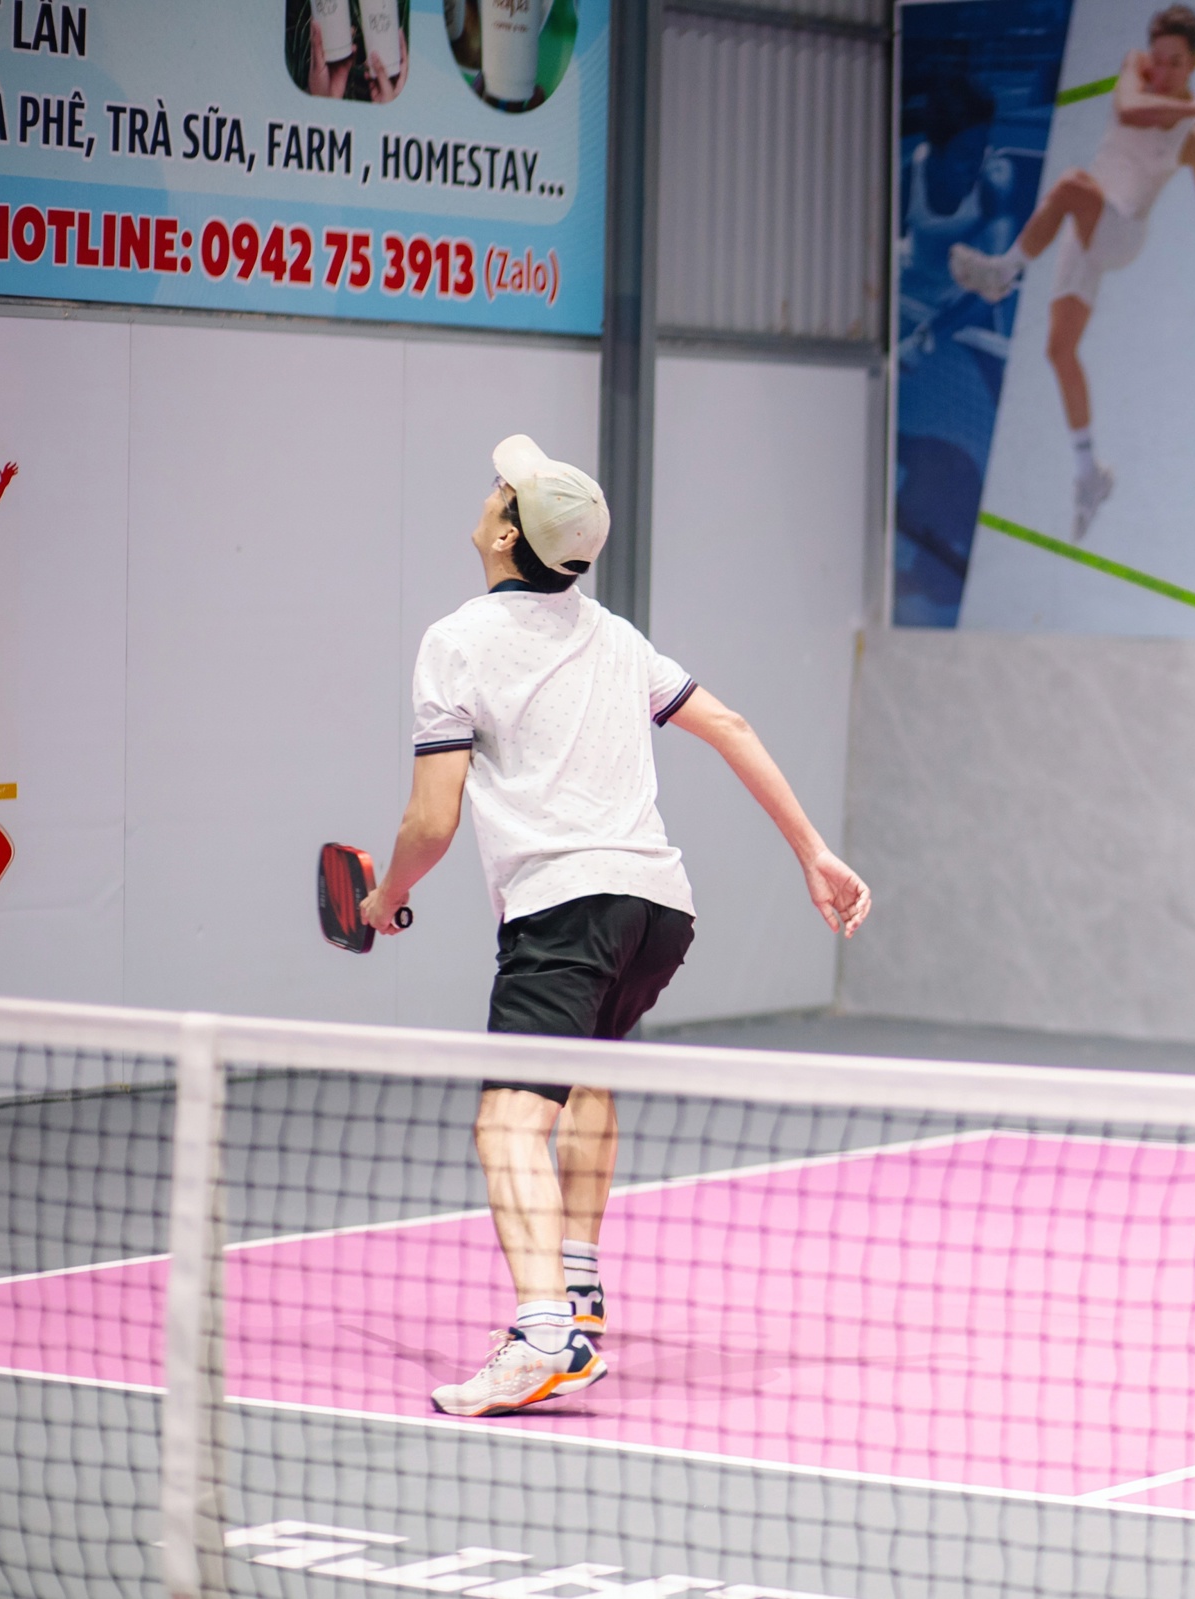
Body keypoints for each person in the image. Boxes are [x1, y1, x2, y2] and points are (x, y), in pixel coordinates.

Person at [360, 434, 872, 1418]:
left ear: (505, 534)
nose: (491, 492)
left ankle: (543, 1334)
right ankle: (580, 1286)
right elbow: (731, 727)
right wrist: (814, 851)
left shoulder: (457, 640)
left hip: (565, 907)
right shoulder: (616, 635)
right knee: (587, 1077)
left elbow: (432, 818)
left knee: (508, 1121)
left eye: (501, 489)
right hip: (657, 910)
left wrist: (386, 898)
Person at [947, 4, 1195, 539]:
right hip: (1085, 226)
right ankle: (1088, 473)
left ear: (1194, 63)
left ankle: (1002, 275)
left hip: (1119, 232)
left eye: (1176, 63)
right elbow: (1129, 109)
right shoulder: (1134, 71)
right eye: (1158, 59)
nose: (1162, 70)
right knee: (1059, 351)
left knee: (1070, 183)